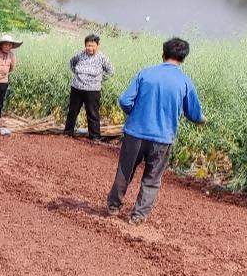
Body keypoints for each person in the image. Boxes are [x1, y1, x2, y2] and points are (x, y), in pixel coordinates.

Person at [107, 37, 204, 224]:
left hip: (135, 132)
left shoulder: (145, 74)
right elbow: (194, 114)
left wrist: (134, 114)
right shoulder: (185, 82)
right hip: (163, 137)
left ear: (163, 53)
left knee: (125, 171)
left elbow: (124, 100)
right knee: (152, 178)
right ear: (183, 58)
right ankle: (138, 215)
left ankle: (113, 205)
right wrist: (202, 120)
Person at [65, 34, 114, 141]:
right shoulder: (79, 55)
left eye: (93, 46)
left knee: (92, 113)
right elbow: (71, 64)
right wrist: (78, 76)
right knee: (72, 111)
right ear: (85, 45)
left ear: (98, 45)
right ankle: (68, 132)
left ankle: (95, 137)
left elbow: (110, 71)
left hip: (93, 90)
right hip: (77, 88)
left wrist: (99, 79)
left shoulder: (102, 58)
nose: (90, 48)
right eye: (88, 45)